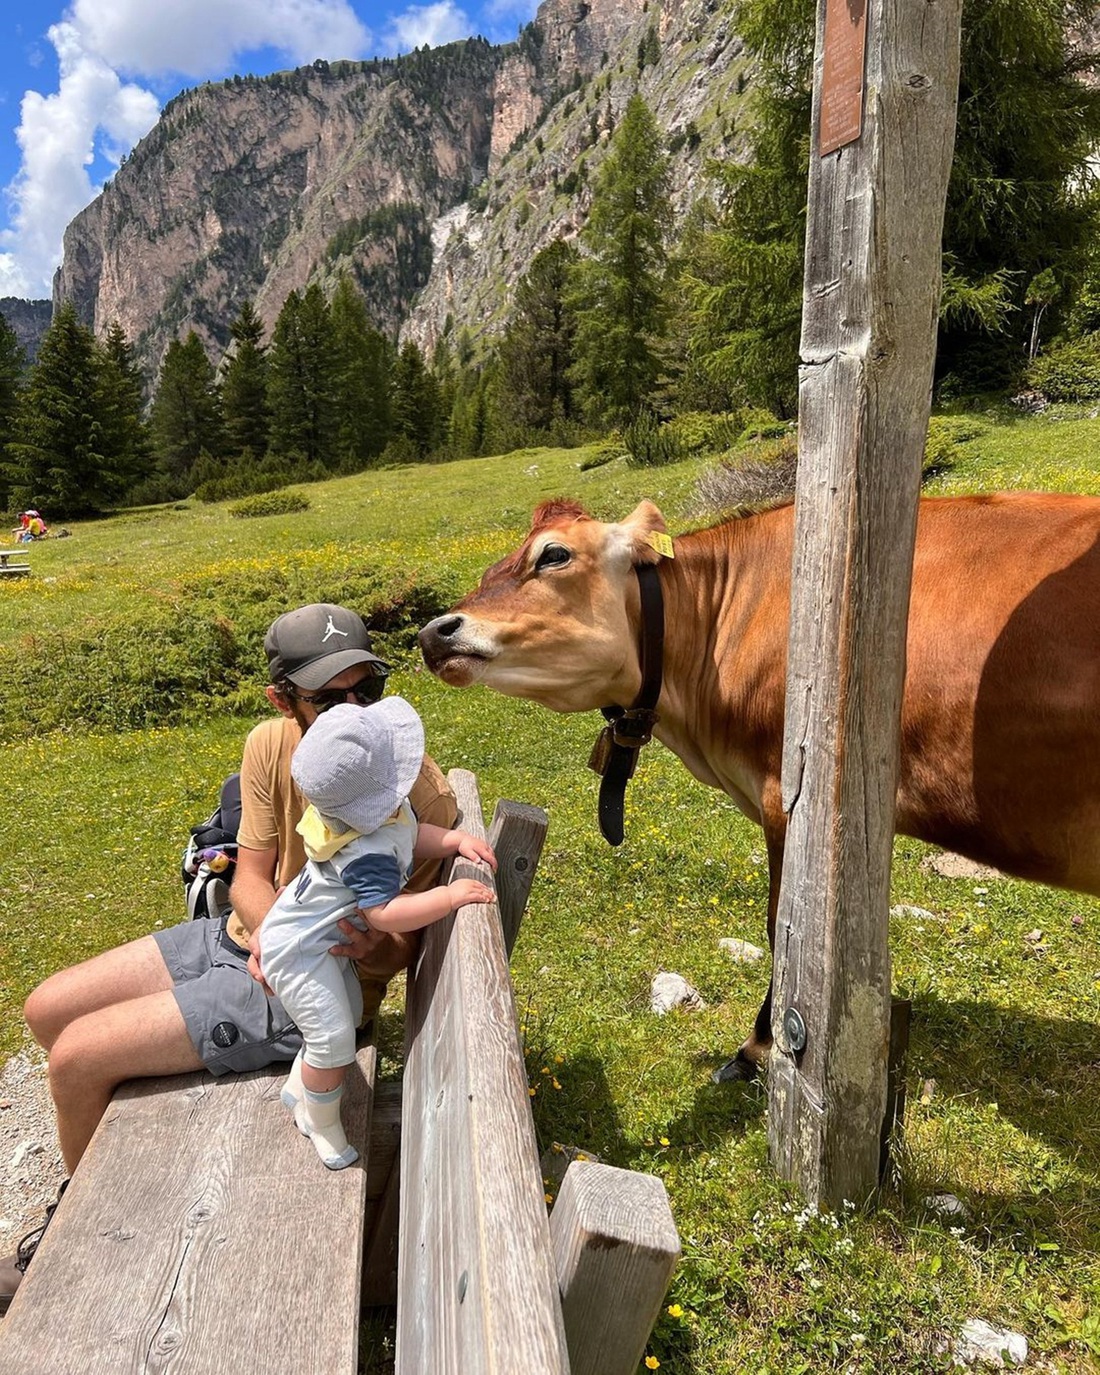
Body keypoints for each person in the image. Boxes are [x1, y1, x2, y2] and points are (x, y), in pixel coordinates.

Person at [0, 602, 456, 1312]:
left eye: (366, 691)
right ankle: (103, 1190)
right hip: (249, 939)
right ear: (282, 700)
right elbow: (248, 875)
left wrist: (326, 944)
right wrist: (273, 934)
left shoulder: (416, 790)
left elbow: (400, 950)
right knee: (45, 1009)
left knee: (77, 1058)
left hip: (321, 984)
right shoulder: (270, 745)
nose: (352, 710)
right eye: (329, 698)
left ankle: (84, 1239)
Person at [260, 699, 495, 1168]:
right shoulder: (365, 851)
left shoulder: (380, 816)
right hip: (297, 951)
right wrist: (448, 899)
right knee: (332, 1041)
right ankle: (319, 1122)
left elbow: (408, 835)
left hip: (313, 940)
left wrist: (451, 840)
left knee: (343, 1014)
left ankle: (297, 1087)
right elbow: (385, 913)